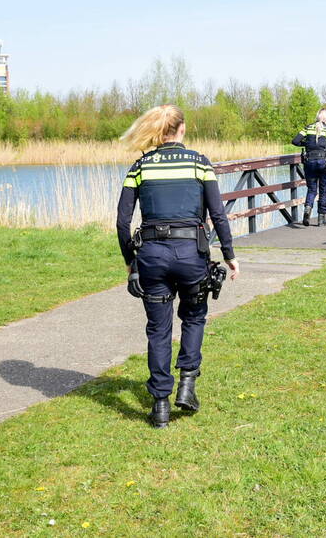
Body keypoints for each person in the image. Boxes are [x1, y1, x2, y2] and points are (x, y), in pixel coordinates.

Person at [116, 105, 240, 429]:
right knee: (194, 317)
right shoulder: (200, 163)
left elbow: (122, 221)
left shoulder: (140, 167)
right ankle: (187, 384)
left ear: (157, 131)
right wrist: (229, 253)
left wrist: (132, 263)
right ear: (182, 129)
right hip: (191, 256)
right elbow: (218, 213)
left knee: (158, 329)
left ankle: (160, 407)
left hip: (152, 258)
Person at [292, 108, 326, 226]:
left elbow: (295, 141)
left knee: (311, 189)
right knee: (323, 190)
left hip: (309, 162)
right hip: (323, 163)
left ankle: (307, 209)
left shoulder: (307, 128)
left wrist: (306, 143)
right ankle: (321, 218)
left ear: (317, 117)